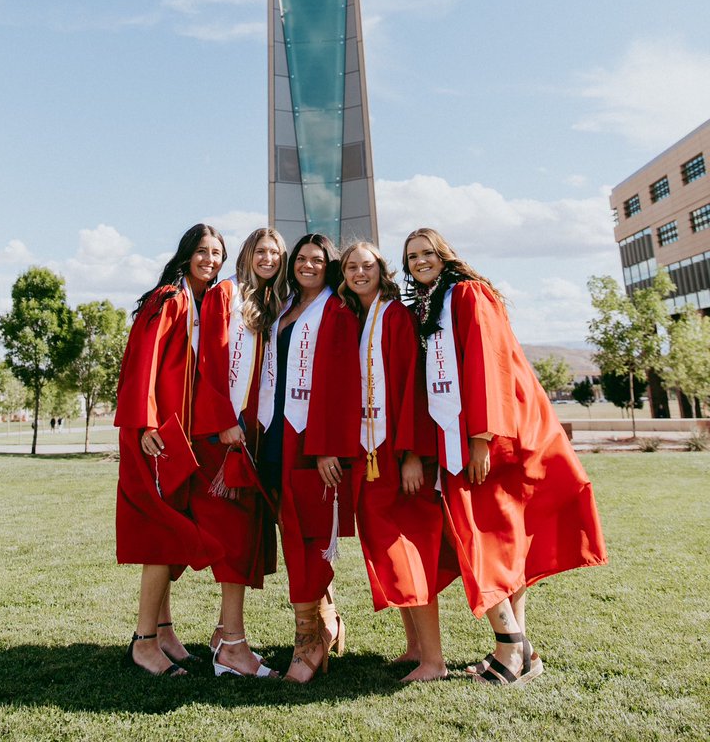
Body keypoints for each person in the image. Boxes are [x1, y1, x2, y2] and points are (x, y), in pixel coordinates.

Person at [402, 227, 609, 687]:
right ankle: (524, 651)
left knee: (480, 538)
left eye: (427, 253)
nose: (419, 261)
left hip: (494, 438)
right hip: (464, 434)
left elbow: (488, 365)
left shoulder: (468, 294)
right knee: (497, 541)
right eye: (412, 256)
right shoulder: (432, 304)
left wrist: (480, 439)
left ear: (445, 255)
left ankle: (509, 648)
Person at [339, 241, 455, 683]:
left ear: (380, 270)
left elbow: (412, 387)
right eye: (350, 267)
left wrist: (412, 456)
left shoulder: (396, 315)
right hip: (368, 453)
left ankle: (434, 661)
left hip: (396, 453)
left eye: (366, 265)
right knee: (387, 550)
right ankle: (415, 647)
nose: (358, 272)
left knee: (410, 550)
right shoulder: (358, 318)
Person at [114, 223, 227, 676]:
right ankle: (143, 642)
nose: (211, 260)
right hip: (155, 434)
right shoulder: (169, 298)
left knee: (171, 526)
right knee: (161, 534)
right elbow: (143, 361)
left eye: (218, 253)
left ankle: (163, 632)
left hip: (177, 436)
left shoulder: (203, 303)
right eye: (203, 252)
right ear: (186, 254)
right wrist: (143, 424)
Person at [258, 233, 361, 683]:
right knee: (291, 530)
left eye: (317, 260)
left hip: (309, 438)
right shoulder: (283, 309)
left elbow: (341, 383)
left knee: (310, 534)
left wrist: (326, 446)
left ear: (329, 265)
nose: (307, 265)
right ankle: (325, 618)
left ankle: (309, 642)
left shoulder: (335, 312)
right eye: (300, 258)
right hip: (276, 432)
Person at [191, 227, 288, 678]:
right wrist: (224, 422)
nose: (269, 257)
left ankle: (221, 633)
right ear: (248, 254)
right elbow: (209, 361)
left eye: (276, 253)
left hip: (251, 437)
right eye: (262, 250)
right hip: (222, 438)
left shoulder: (267, 305)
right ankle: (232, 646)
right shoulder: (224, 295)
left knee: (246, 535)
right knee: (232, 538)